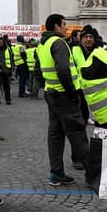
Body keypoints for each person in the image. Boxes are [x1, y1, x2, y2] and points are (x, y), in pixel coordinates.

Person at [38, 13, 89, 187]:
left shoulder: (43, 44)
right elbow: (63, 70)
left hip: (51, 93)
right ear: (55, 26)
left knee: (55, 134)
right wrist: (72, 93)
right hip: (64, 96)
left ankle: (56, 173)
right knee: (78, 134)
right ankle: (94, 176)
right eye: (64, 24)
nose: (67, 27)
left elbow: (38, 70)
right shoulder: (59, 43)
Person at [0, 35, 13, 105]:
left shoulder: (8, 49)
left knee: (7, 86)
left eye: (1, 42)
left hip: (6, 70)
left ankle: (8, 99)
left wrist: (11, 69)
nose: (0, 44)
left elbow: (11, 59)